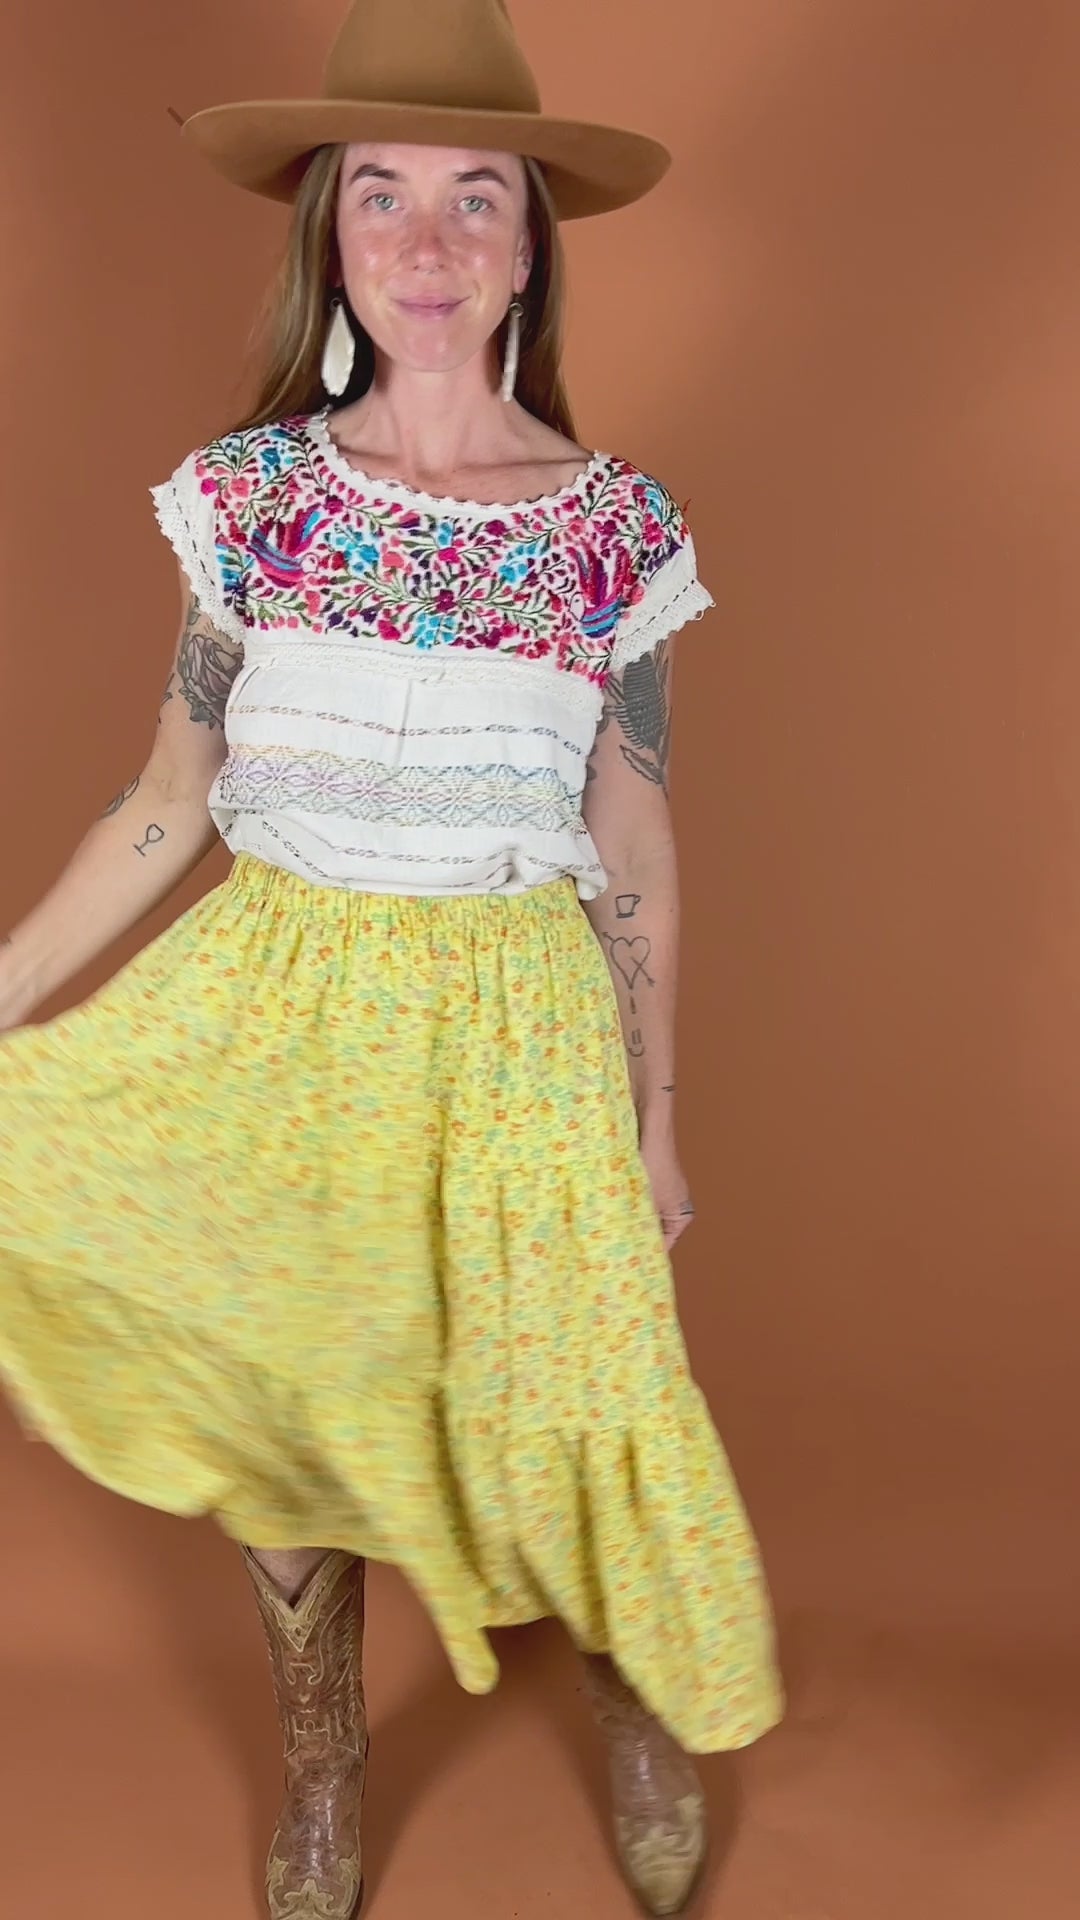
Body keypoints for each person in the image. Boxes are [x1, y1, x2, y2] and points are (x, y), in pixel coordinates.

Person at [0, 1, 782, 1914]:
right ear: (328, 235)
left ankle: (637, 1703)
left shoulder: (612, 533)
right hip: (284, 1007)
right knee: (284, 1392)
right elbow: (167, 802)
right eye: (381, 196)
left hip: (519, 1022)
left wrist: (655, 1117)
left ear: (529, 246)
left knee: (563, 1399)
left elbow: (635, 846)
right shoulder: (252, 504)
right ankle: (326, 1766)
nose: (427, 243)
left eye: (475, 199)